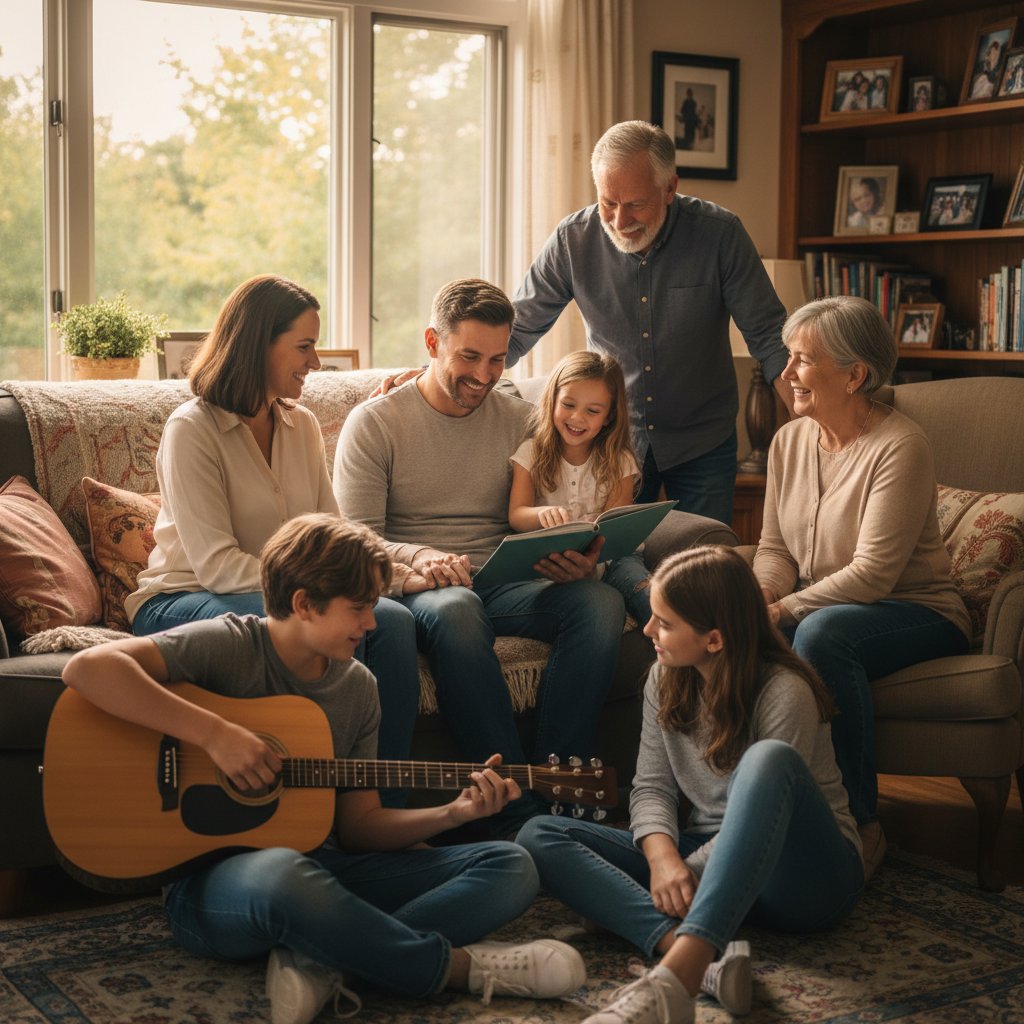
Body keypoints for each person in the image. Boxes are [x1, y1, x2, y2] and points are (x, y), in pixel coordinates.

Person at [63, 514, 587, 1024]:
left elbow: (360, 827)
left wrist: (454, 814)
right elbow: (87, 668)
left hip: (326, 870)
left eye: (373, 606)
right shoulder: (230, 643)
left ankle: (326, 959)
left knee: (512, 866)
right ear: (303, 604)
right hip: (218, 888)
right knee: (283, 874)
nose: (372, 623)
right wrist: (215, 735)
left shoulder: (357, 686)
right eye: (358, 608)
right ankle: (454, 969)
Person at [518, 545, 863, 1024]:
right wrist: (663, 863)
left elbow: (769, 826)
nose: (647, 630)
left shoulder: (785, 690)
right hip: (707, 857)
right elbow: (651, 787)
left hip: (803, 878)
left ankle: (675, 979)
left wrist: (678, 875)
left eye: (664, 622)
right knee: (539, 834)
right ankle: (698, 959)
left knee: (768, 761)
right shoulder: (664, 676)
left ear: (714, 639)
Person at [333, 278, 627, 838]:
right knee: (458, 608)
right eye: (469, 356)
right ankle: (512, 805)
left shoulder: (520, 418)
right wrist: (421, 556)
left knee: (599, 602)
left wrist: (576, 557)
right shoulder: (375, 423)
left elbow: (573, 483)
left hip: (503, 574)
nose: (484, 375)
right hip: (424, 584)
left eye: (497, 360)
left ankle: (560, 787)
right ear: (432, 342)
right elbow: (357, 538)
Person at [125, 275, 422, 801]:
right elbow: (217, 567)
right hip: (183, 595)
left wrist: (392, 578)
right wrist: (329, 595)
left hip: (277, 592)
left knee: (393, 620)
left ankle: (380, 807)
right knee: (338, 621)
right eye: (304, 346)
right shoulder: (192, 430)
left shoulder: (300, 425)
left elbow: (333, 537)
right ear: (257, 343)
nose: (315, 362)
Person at [753, 296, 971, 877]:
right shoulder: (788, 442)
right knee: (740, 631)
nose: (786, 372)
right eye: (788, 356)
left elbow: (873, 574)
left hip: (915, 610)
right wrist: (760, 598)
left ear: (854, 376)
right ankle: (747, 815)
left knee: (822, 633)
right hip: (823, 608)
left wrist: (784, 610)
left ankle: (858, 824)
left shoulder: (900, 446)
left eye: (803, 360)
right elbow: (775, 550)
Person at [506, 120, 793, 527]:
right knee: (612, 556)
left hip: (702, 441)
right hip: (612, 441)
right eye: (608, 203)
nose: (619, 220)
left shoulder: (720, 235)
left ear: (670, 188)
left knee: (702, 557)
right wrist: (442, 373)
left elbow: (768, 335)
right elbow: (517, 328)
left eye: (636, 205)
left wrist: (810, 415)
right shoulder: (573, 240)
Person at [509, 350, 652, 626]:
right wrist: (541, 514)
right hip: (556, 554)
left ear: (609, 416)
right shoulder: (530, 452)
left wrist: (596, 548)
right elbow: (516, 514)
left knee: (645, 592)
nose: (577, 418)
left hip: (614, 557)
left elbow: (617, 527)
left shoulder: (620, 460)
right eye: (568, 404)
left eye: (593, 411)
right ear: (552, 401)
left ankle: (679, 645)